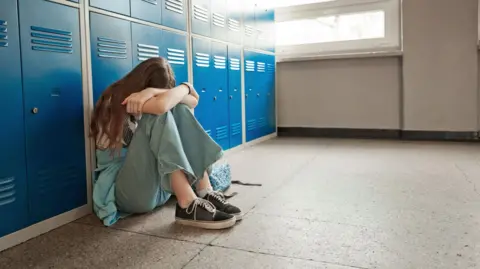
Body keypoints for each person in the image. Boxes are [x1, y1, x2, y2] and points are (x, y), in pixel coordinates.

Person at [90, 57, 242, 230]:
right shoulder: (118, 100)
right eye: (153, 90)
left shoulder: (147, 97)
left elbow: (193, 100)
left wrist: (161, 90)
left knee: (179, 107)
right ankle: (187, 204)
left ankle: (205, 192)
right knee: (163, 111)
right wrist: (170, 92)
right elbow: (162, 107)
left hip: (158, 188)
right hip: (126, 192)